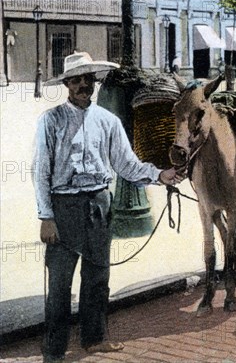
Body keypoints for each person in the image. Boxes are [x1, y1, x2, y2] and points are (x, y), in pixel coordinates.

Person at [34, 52, 182, 362]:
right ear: (66, 84)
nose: (83, 84)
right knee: (59, 283)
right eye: (76, 79)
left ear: (95, 82)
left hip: (99, 204)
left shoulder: (108, 121)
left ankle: (95, 339)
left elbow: (126, 164)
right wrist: (46, 216)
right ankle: (55, 348)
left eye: (88, 78)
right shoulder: (50, 121)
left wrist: (160, 175)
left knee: (98, 278)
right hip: (64, 206)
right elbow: (41, 172)